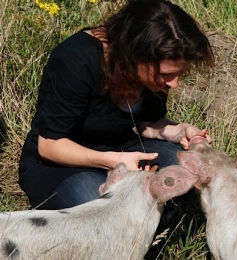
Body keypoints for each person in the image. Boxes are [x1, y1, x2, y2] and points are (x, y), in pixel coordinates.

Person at [18, 0, 214, 217]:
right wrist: (114, 162)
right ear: (135, 55)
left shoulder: (149, 73)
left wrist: (181, 131)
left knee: (188, 174)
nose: (174, 84)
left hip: (121, 148)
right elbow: (49, 146)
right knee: (106, 212)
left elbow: (146, 123)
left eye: (180, 74)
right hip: (61, 163)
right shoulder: (76, 59)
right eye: (167, 74)